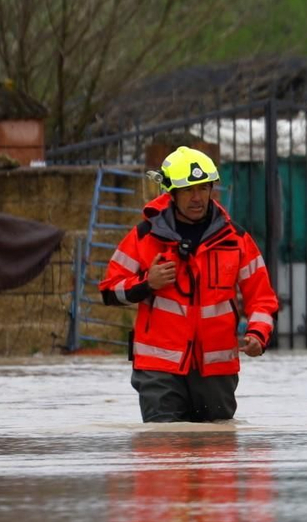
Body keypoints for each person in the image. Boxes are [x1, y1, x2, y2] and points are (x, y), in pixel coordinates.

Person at [100, 146, 279, 422]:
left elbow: (262, 299)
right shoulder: (144, 236)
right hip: (158, 369)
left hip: (216, 370)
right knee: (163, 451)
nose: (197, 198)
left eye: (203, 188)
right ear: (170, 192)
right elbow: (109, 290)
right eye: (187, 190)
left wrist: (258, 334)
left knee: (217, 453)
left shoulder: (236, 239)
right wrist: (148, 283)